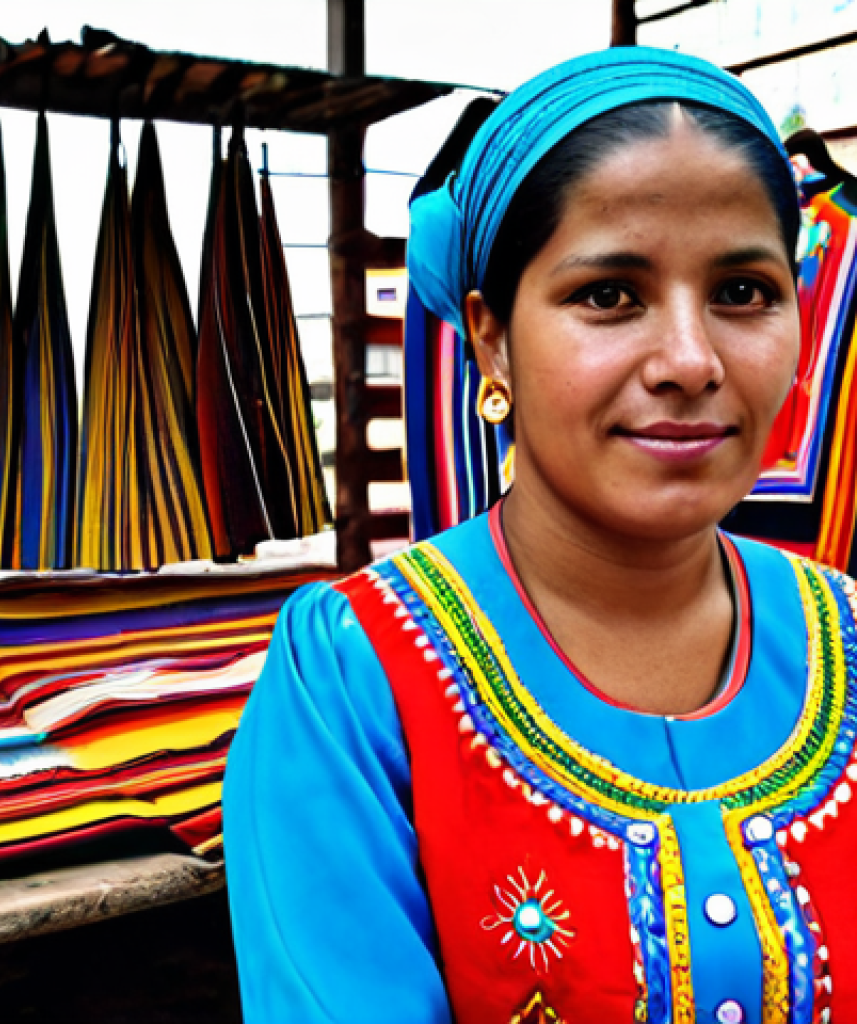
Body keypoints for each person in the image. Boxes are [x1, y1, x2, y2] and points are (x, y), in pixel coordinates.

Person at [224, 46, 857, 1023]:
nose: (690, 360)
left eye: (741, 292)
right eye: (608, 293)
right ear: (489, 339)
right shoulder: (354, 687)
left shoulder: (848, 640)